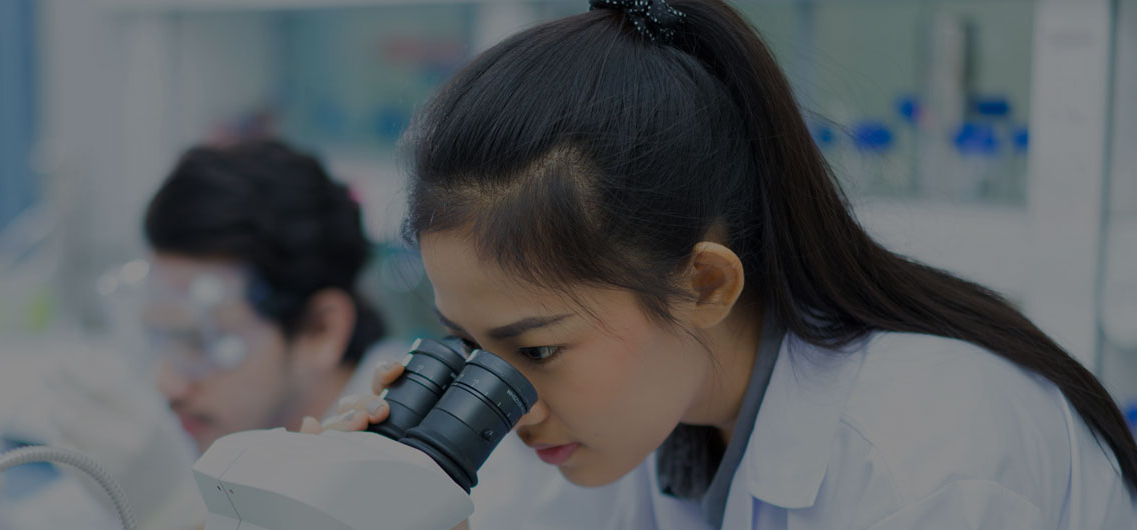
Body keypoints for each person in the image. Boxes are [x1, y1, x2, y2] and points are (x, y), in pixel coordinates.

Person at [312, 1, 1137, 529]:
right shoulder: (623, 425)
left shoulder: (929, 462)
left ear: (704, 283)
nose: (513, 410)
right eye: (466, 346)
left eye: (538, 351)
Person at [0, 140, 615, 530]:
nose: (169, 380)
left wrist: (175, 518)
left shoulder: (465, 476)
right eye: (161, 340)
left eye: (203, 340)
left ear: (322, 326)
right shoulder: (206, 436)